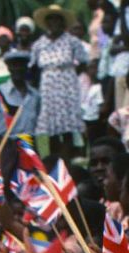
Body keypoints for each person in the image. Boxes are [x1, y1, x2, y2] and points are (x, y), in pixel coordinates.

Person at [33, 5, 88, 155]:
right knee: (52, 126)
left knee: (68, 125)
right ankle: (54, 159)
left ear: (63, 23)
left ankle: (69, 157)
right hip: (48, 85)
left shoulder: (72, 41)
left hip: (67, 84)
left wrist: (69, 76)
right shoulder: (39, 44)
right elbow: (33, 66)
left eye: (57, 20)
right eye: (50, 20)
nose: (53, 23)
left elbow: (83, 62)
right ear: (46, 23)